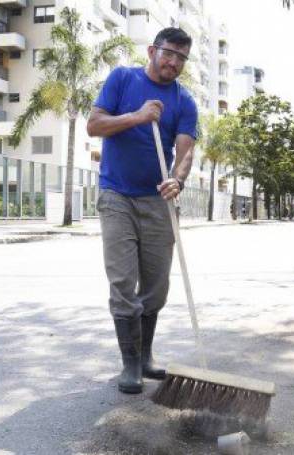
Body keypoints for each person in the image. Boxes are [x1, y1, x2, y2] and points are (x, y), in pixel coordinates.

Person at [86, 28, 198, 394]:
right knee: (122, 282)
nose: (174, 62)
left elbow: (185, 153)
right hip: (116, 195)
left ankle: (146, 355)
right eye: (169, 54)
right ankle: (130, 364)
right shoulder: (123, 79)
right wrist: (137, 116)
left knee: (156, 286)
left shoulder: (184, 101)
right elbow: (94, 124)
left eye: (181, 58)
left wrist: (177, 181)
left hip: (157, 200)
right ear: (152, 50)